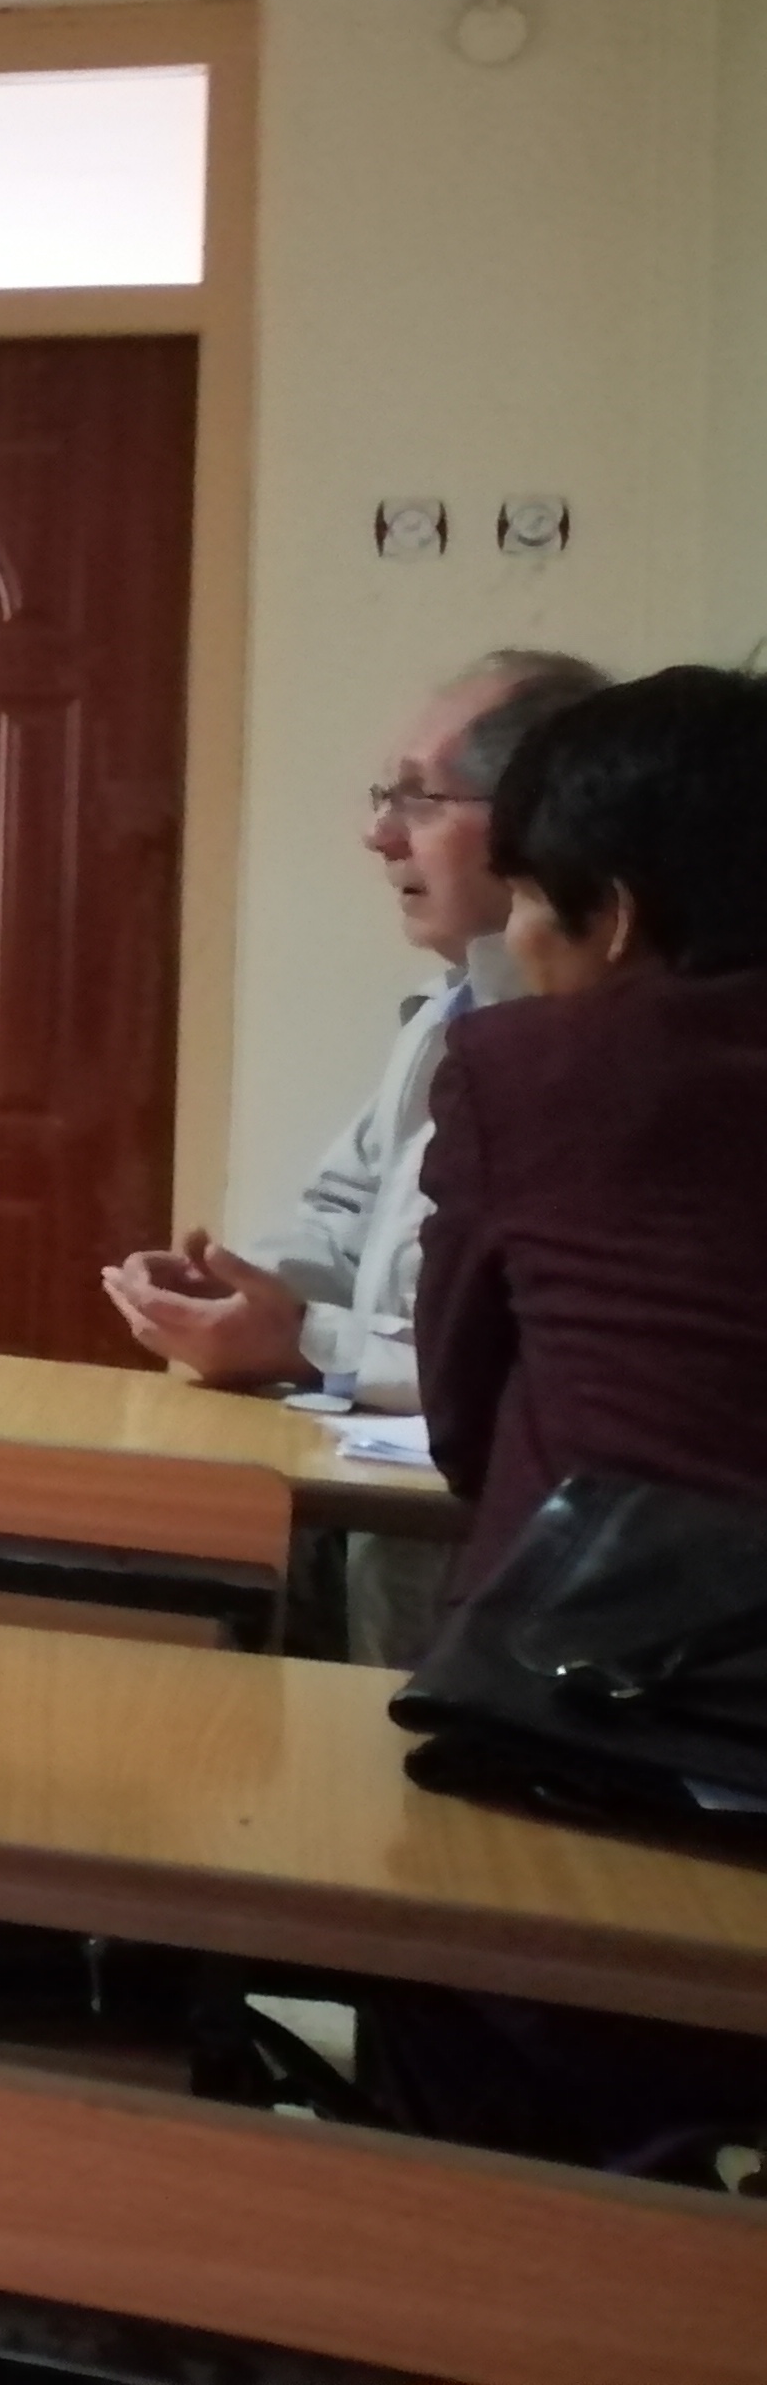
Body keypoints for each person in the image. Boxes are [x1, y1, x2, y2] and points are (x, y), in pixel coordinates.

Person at [361, 663, 767, 2181]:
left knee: (478, 2092)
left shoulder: (534, 1069)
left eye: (530, 901)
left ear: (614, 916)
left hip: (588, 1722)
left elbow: (464, 1413)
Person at [99, 652, 604, 1408]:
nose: (380, 836)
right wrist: (240, 1291)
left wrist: (307, 1343)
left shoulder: (607, 1051)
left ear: (540, 822)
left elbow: (536, 1356)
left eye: (420, 799)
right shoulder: (443, 1012)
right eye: (385, 798)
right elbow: (342, 1220)